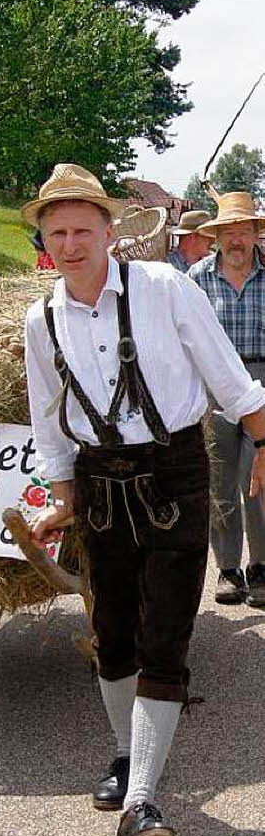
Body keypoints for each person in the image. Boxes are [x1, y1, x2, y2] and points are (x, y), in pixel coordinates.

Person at [23, 163, 265, 836]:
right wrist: (60, 496)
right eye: (57, 232)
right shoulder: (39, 320)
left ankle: (142, 802)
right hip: (100, 480)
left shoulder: (163, 287)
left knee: (166, 632)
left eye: (83, 229)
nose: (71, 244)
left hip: (176, 470)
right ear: (45, 241)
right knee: (114, 630)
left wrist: (263, 440)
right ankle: (129, 753)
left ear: (110, 231)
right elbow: (48, 415)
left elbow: (226, 371)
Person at [188, 192, 265, 606]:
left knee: (260, 479)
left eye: (244, 232)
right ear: (217, 237)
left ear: (256, 235)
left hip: (263, 383)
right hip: (214, 389)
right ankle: (229, 569)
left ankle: (261, 568)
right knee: (219, 482)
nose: (236, 241)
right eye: (228, 234)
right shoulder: (197, 279)